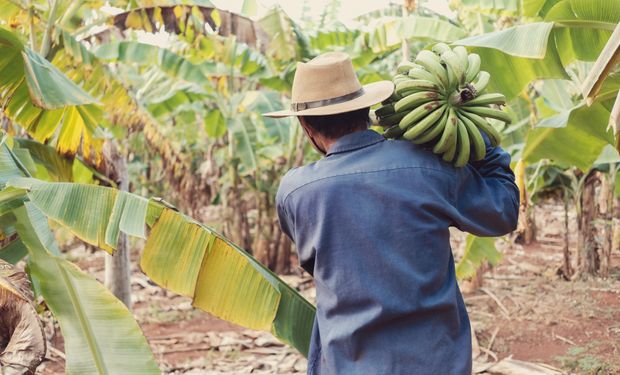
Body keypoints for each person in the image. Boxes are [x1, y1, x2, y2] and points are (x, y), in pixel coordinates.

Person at [263, 52, 519, 375]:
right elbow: (503, 211)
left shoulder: (295, 192)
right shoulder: (429, 168)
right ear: (366, 109)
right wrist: (479, 137)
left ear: (306, 126)